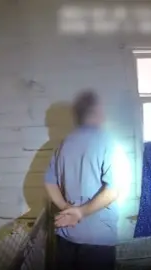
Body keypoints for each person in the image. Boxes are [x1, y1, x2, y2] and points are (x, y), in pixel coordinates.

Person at [44, 90, 120, 270]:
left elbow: (49, 182)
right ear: (96, 112)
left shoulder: (64, 144)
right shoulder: (107, 140)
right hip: (98, 239)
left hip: (66, 235)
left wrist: (66, 208)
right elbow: (113, 190)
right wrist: (81, 212)